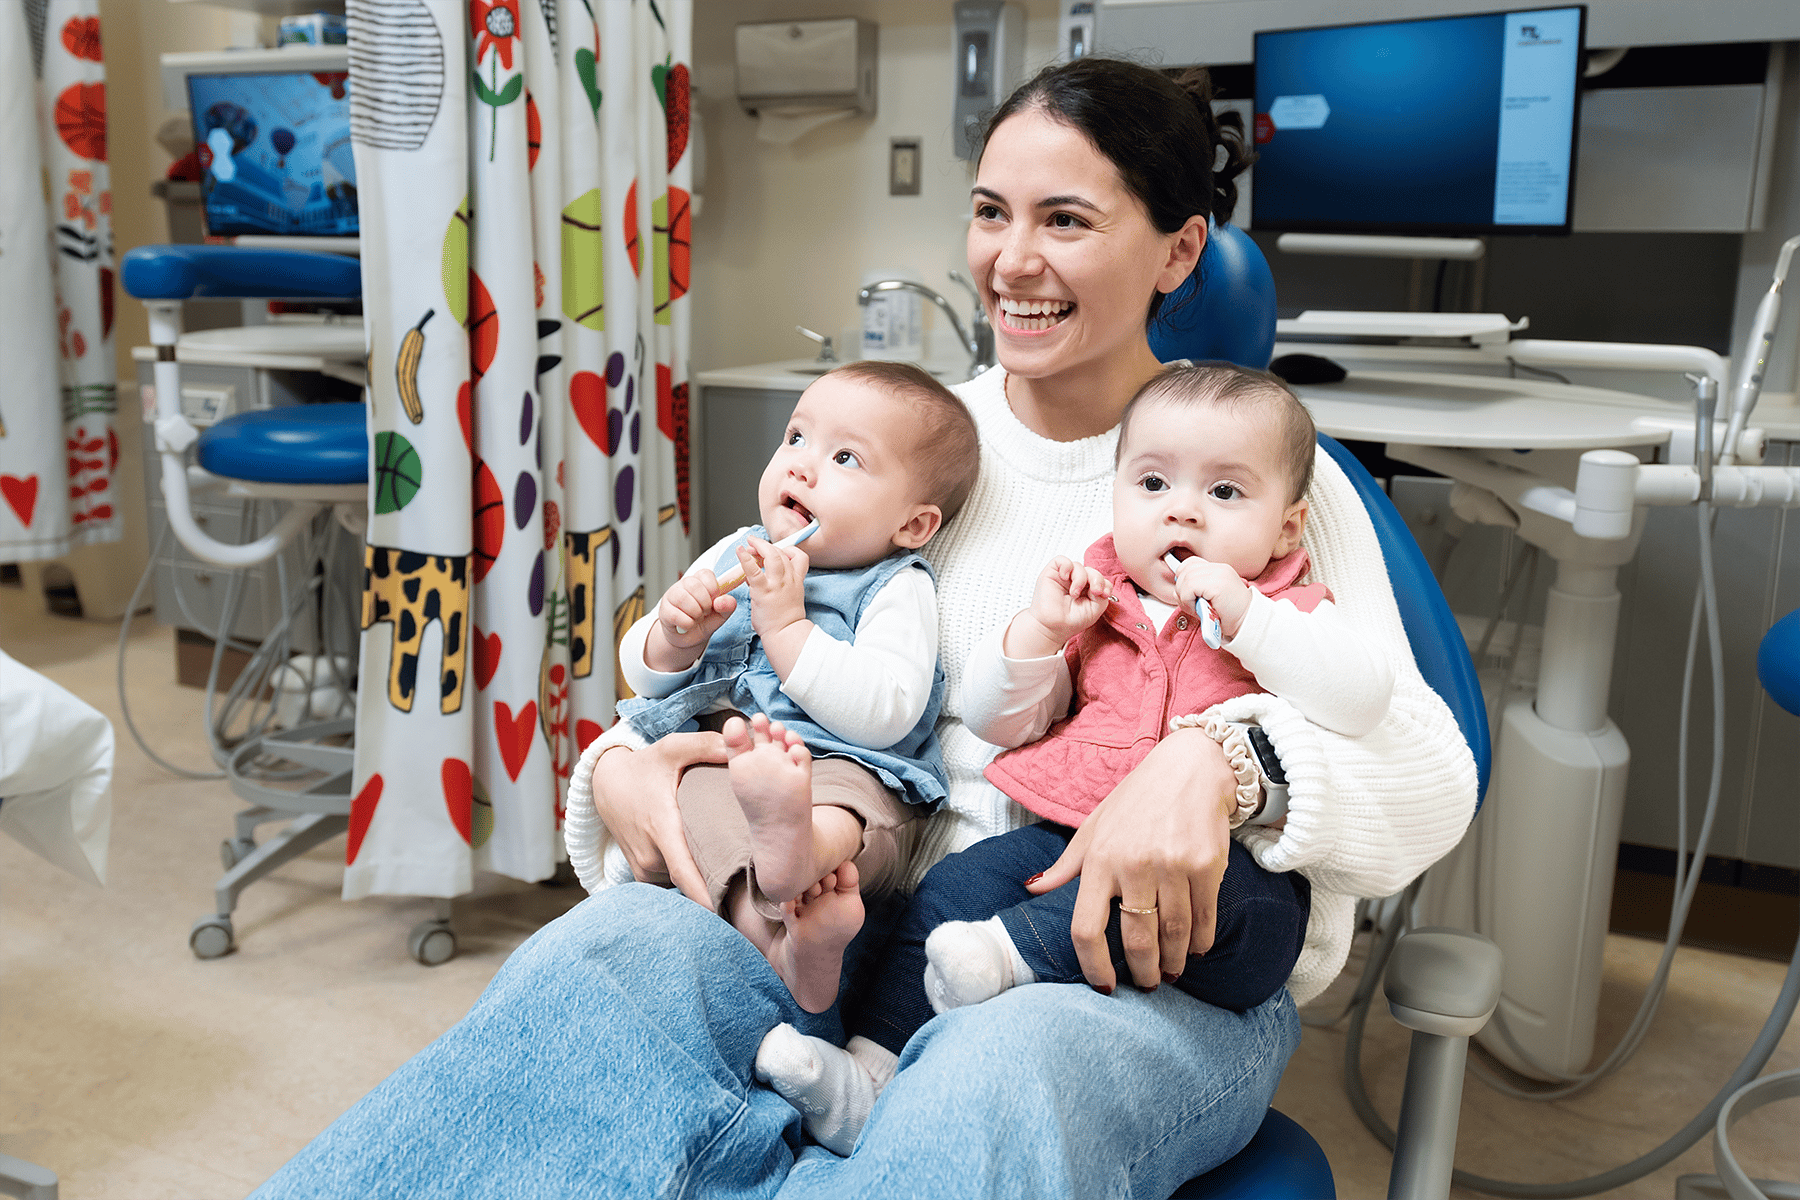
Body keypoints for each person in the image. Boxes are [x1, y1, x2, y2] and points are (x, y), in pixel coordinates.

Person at [252, 57, 1476, 1200]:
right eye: (992, 212)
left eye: (1067, 220)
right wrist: (617, 770)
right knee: (597, 966)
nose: (1012, 259)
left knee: (984, 1081)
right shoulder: (904, 443)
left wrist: (1226, 769)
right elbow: (720, 664)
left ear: (1179, 250)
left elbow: (1432, 775)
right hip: (858, 922)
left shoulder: (1245, 476)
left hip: (1128, 971)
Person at [753, 361, 1397, 1151]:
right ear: (1116, 494)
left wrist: (1253, 620)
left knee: (1234, 892)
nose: (1183, 513)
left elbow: (1364, 700)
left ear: (1289, 528)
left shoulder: (1292, 607)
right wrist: (1040, 633)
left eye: (1225, 494)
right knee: (961, 883)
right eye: (1153, 485)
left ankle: (1011, 956)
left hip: (1227, 884)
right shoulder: (1103, 600)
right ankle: (868, 1071)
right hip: (1066, 839)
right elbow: (1001, 720)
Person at [614, 359, 979, 1012]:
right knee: (697, 797)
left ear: (912, 525)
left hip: (849, 766)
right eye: (796, 438)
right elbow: (643, 679)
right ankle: (785, 944)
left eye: (846, 458)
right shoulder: (736, 551)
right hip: (734, 763)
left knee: (854, 814)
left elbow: (887, 712)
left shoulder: (897, 585)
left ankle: (803, 849)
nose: (801, 467)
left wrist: (786, 627)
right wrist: (675, 634)